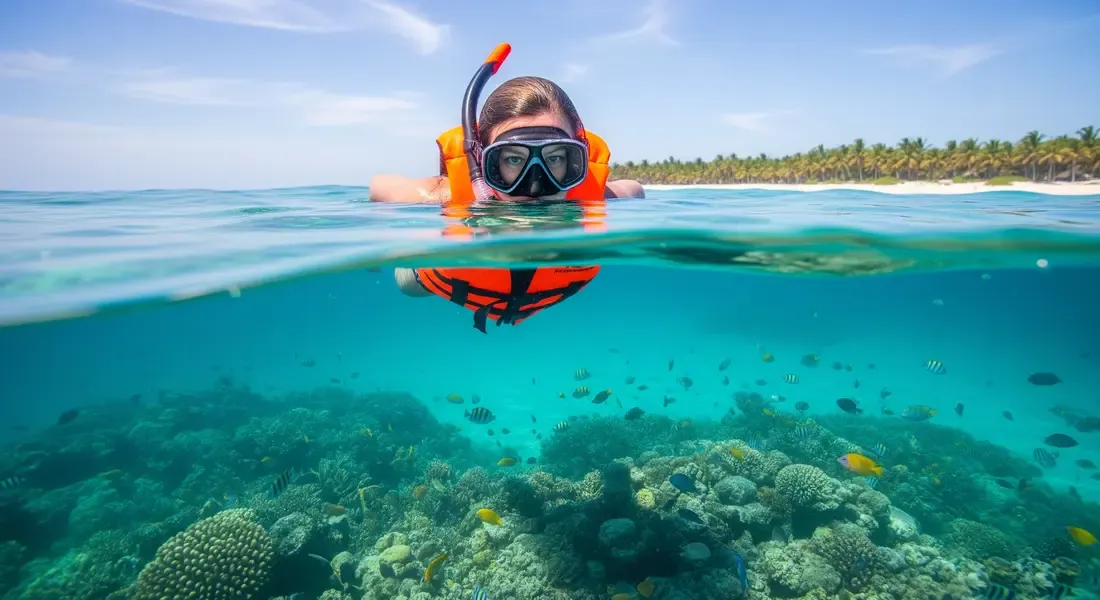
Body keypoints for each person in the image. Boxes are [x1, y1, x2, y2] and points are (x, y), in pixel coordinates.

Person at [369, 43, 644, 333]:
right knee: (408, 286)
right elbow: (379, 186)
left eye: (555, 157)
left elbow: (636, 189)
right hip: (432, 283)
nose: (536, 187)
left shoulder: (599, 198)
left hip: (541, 296)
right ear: (481, 163)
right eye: (514, 159)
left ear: (576, 162)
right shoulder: (444, 195)